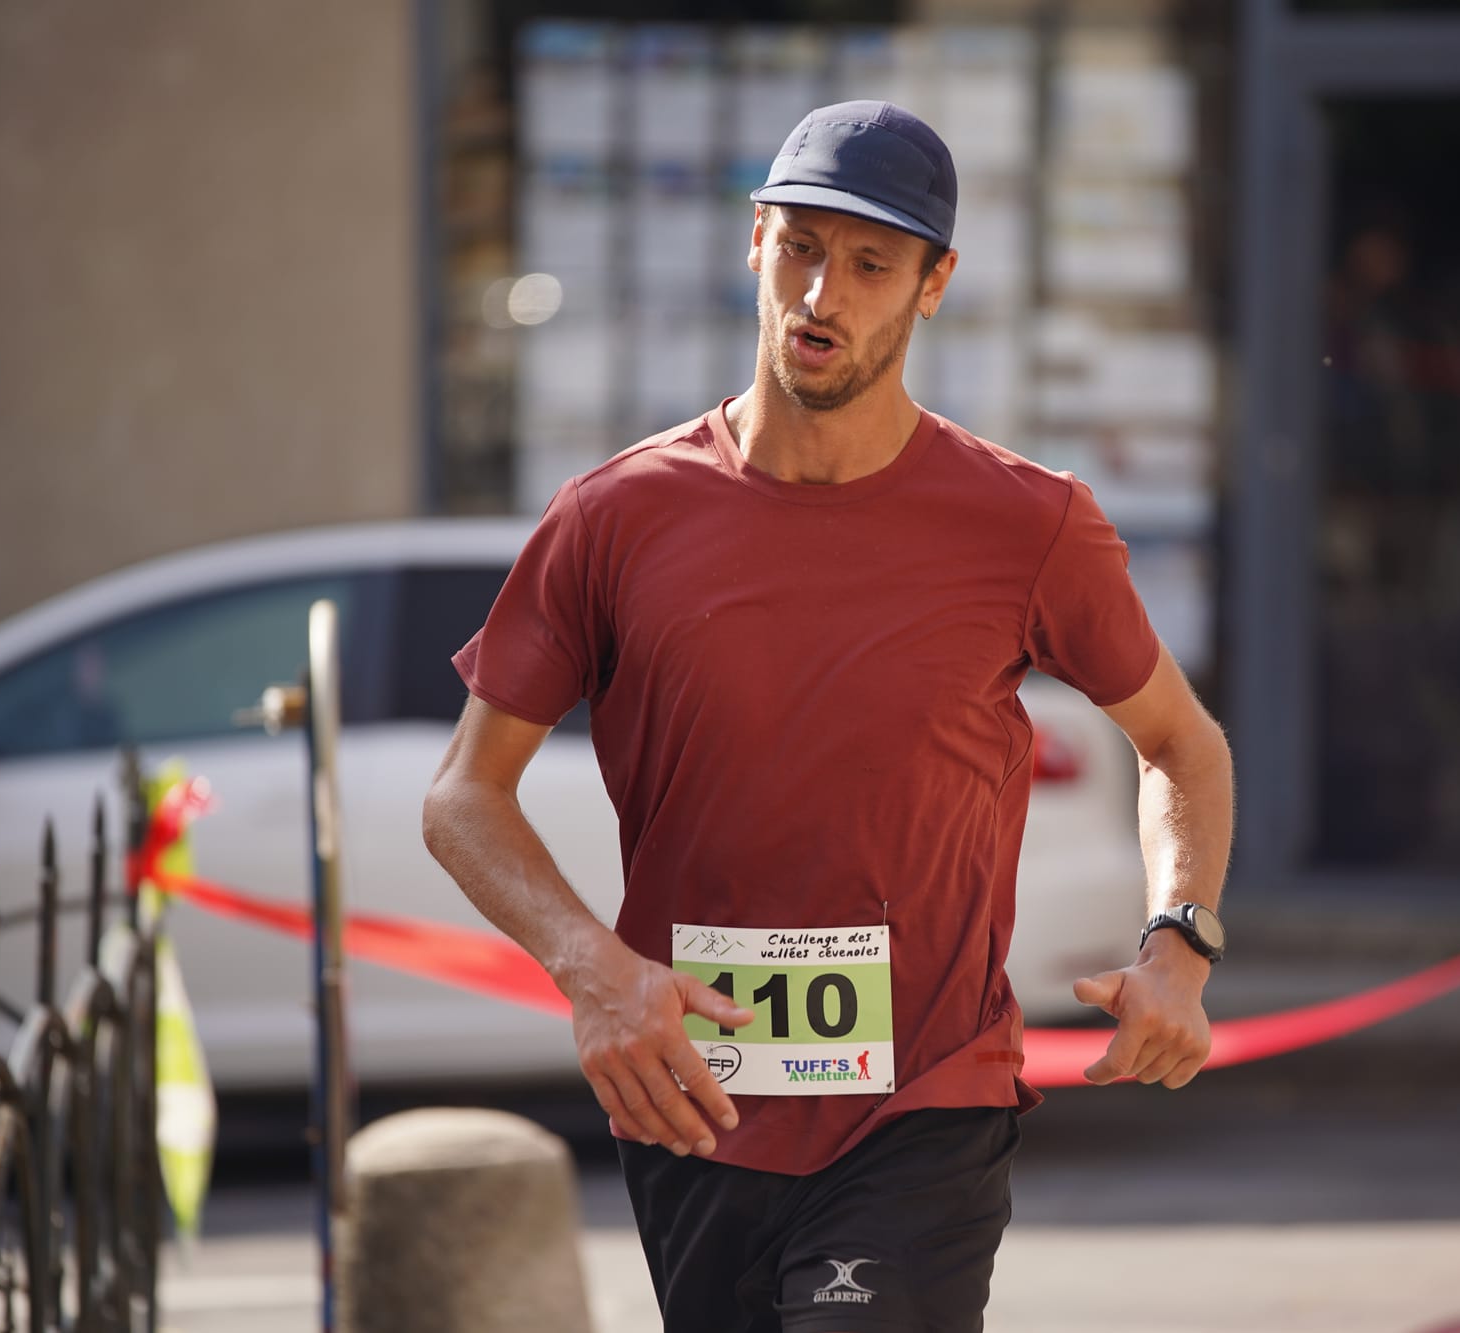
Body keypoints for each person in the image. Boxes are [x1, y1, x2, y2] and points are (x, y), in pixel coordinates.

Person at [422, 100, 1234, 1333]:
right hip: (696, 1106)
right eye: (800, 247)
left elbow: (1179, 743)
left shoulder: (1028, 524)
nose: (821, 294)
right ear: (754, 241)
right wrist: (593, 969)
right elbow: (463, 796)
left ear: (932, 284)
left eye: (869, 264)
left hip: (923, 1107)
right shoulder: (613, 517)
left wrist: (1179, 941)